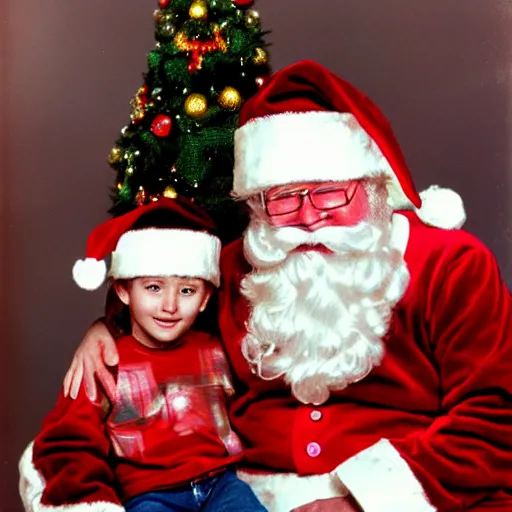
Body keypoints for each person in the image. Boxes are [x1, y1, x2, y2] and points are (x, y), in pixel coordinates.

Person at [20, 60, 512, 511]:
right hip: (247, 497)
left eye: (330, 192)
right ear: (257, 205)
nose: (309, 218)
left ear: (374, 187)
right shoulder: (233, 269)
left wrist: (364, 500)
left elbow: (495, 419)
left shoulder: (453, 265)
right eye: (284, 199)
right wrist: (107, 327)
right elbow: (158, 323)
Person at [20, 197, 267, 512]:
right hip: (150, 494)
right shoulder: (105, 362)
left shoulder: (215, 349)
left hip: (221, 484)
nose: (170, 306)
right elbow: (67, 441)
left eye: (187, 290)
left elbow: (253, 410)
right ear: (123, 291)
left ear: (205, 298)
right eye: (153, 287)